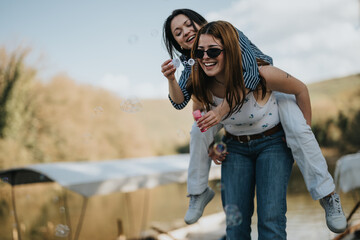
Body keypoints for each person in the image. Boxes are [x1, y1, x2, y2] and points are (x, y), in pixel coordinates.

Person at [160, 9, 346, 233]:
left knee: (299, 131)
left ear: (203, 25)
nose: (186, 32)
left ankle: (327, 194)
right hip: (236, 139)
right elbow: (185, 106)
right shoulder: (195, 70)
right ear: (178, 44)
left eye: (189, 25)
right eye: (178, 32)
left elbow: (251, 76)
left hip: (273, 102)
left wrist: (303, 130)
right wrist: (212, 145)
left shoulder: (234, 39)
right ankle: (198, 191)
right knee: (198, 131)